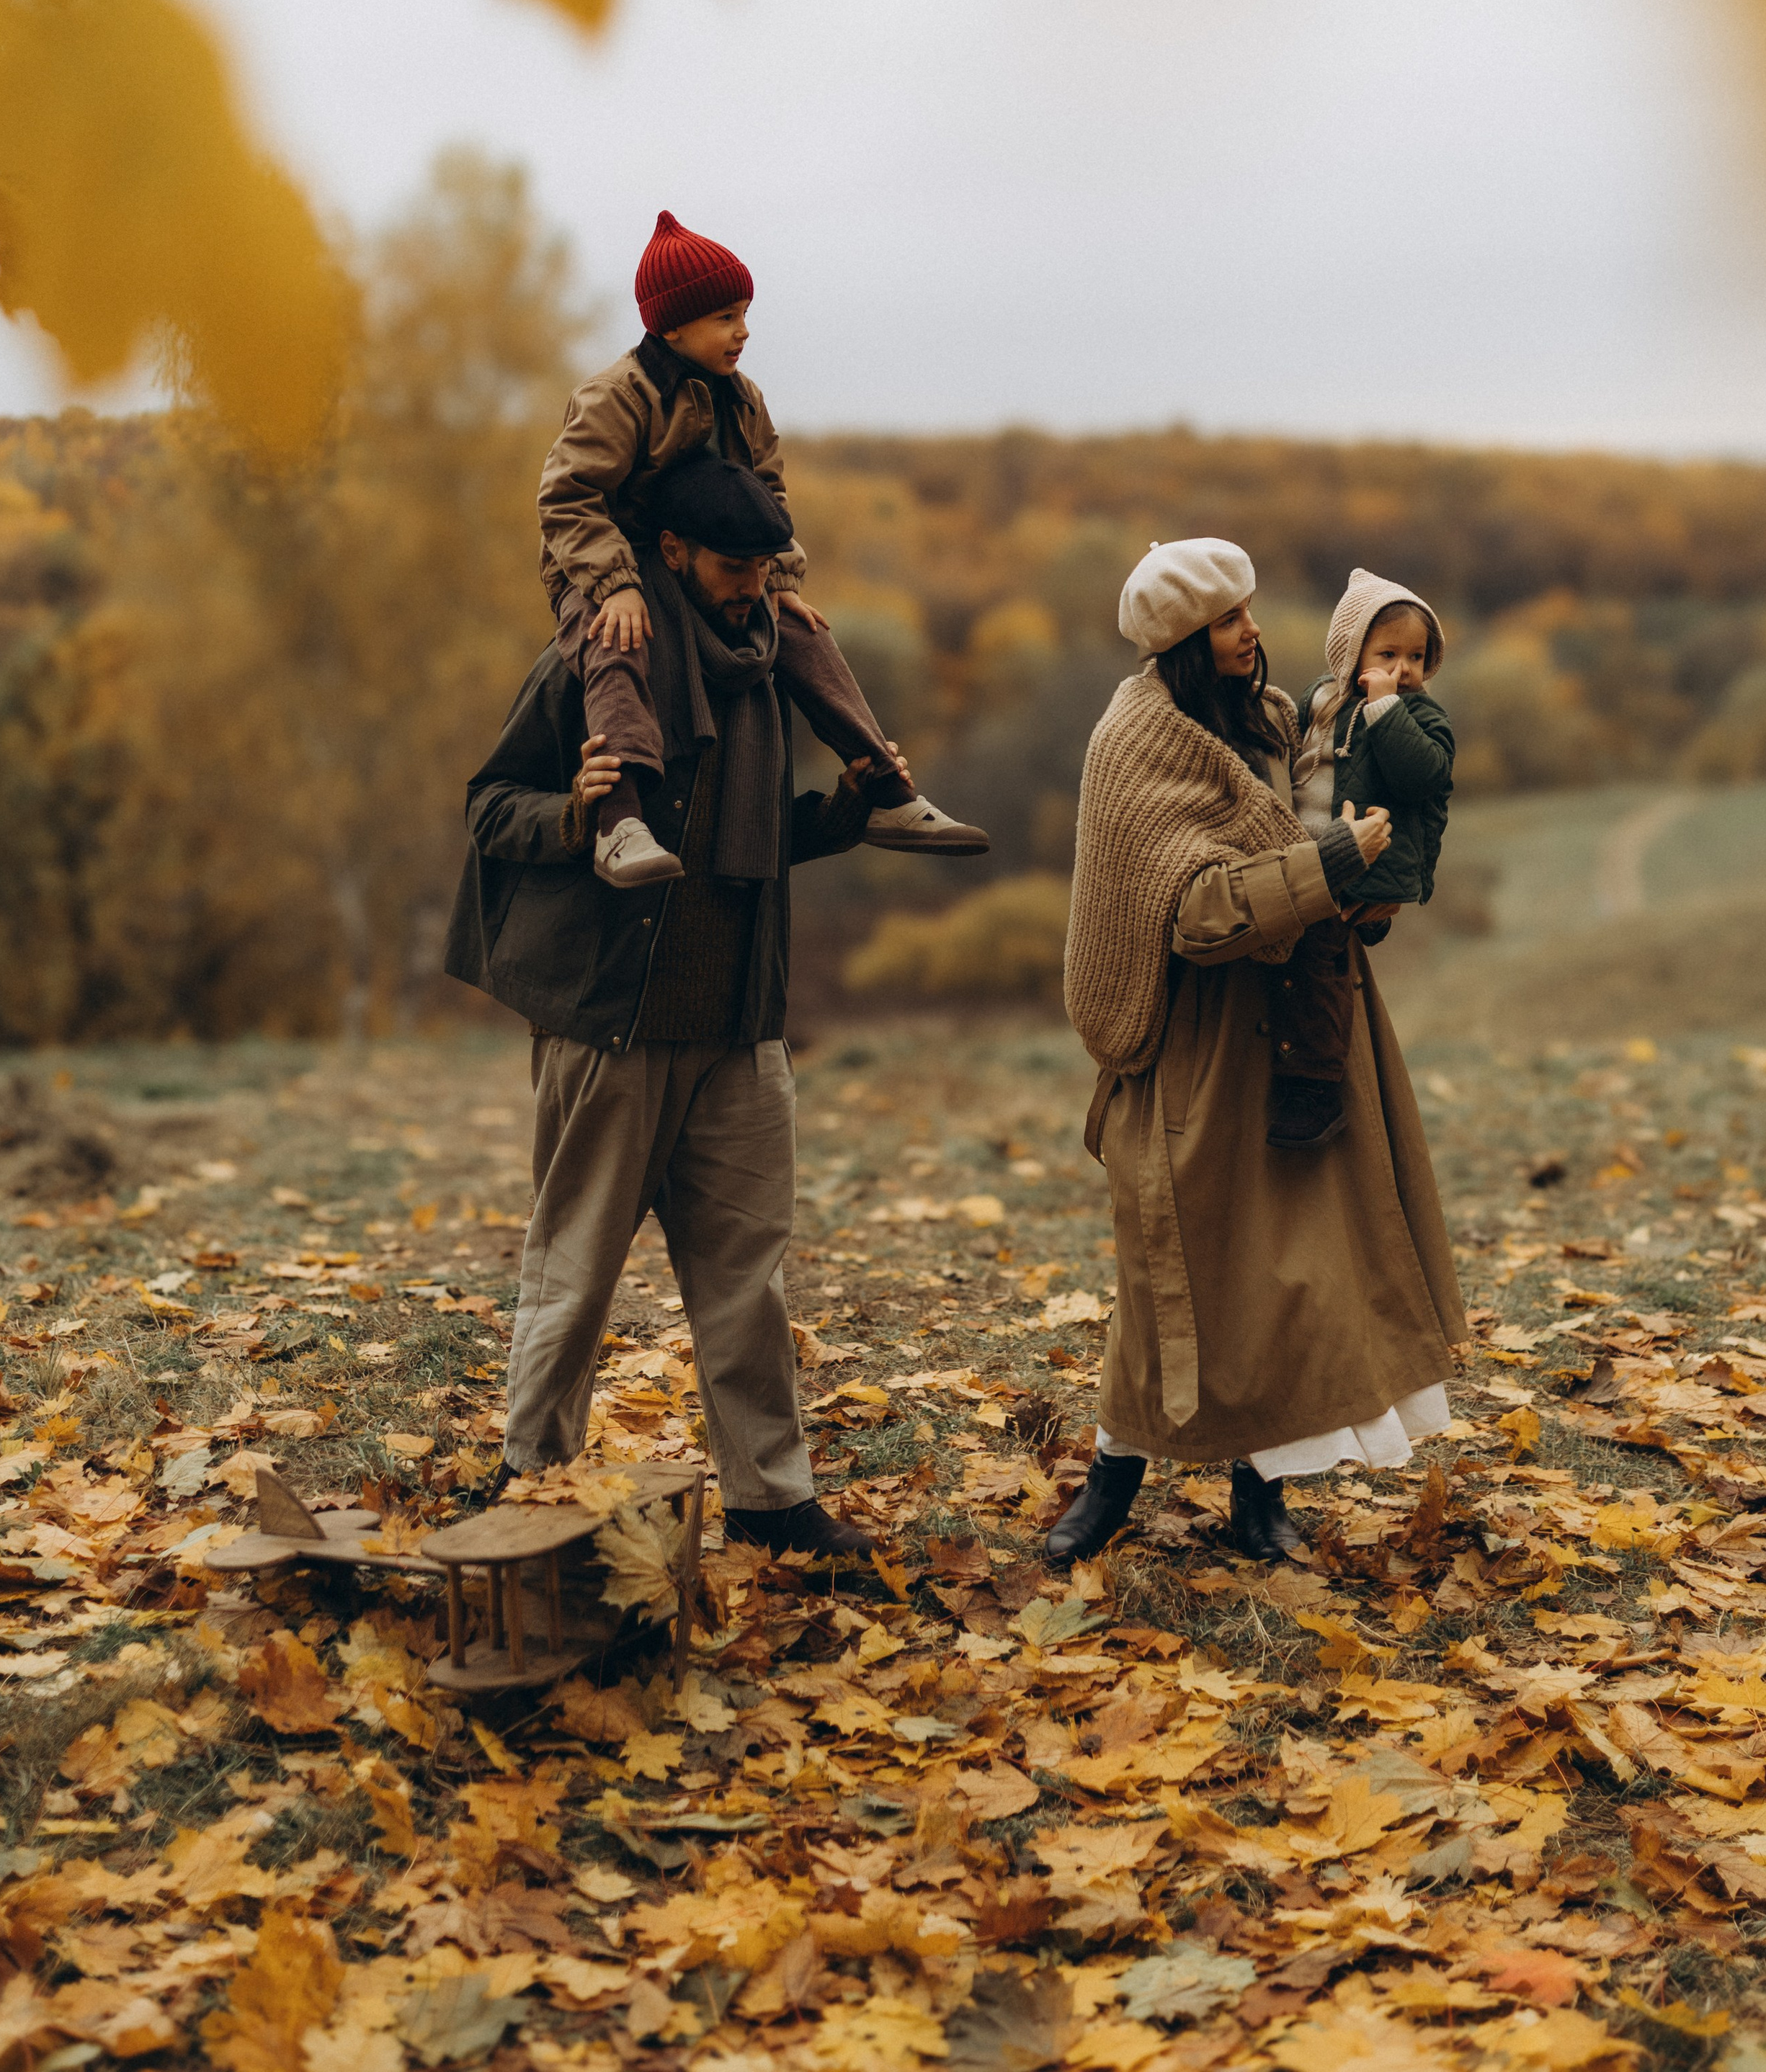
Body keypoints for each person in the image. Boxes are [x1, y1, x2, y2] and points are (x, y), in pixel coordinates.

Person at [444, 452, 892, 1559]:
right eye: (736, 565)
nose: (755, 585)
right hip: (613, 1028)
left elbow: (750, 843)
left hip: (740, 1028)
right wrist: (571, 815)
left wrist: (843, 811)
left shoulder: (764, 668)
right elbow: (487, 806)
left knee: (748, 1280)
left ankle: (771, 1499)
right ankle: (531, 1483)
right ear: (675, 554)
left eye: (765, 565)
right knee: (576, 1269)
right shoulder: (601, 659)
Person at [1051, 537, 1466, 1568]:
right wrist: (1331, 866)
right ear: (1191, 638)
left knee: (1287, 1268)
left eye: (1248, 611)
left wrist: (1378, 881)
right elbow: (1194, 914)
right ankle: (1114, 1473)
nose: (1254, 631)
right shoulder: (1136, 741)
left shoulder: (1277, 720)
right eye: (1233, 620)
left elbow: (1345, 823)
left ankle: (1259, 1491)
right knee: (1174, 1267)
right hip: (1190, 1040)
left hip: (1298, 1022)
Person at [538, 208, 987, 887]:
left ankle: (886, 789)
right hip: (601, 565)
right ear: (672, 326)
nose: (743, 330)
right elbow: (568, 498)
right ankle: (619, 820)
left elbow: (767, 492)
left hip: (708, 565)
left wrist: (779, 576)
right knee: (617, 644)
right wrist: (615, 583)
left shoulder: (743, 400)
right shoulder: (618, 397)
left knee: (803, 630)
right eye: (725, 317)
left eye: (745, 312)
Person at [1271, 568, 1453, 1149]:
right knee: (1283, 963)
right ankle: (1281, 1068)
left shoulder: (1418, 715)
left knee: (1321, 965)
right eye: (1388, 653)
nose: (1403, 670)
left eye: (1417, 657)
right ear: (1350, 653)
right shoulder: (1320, 700)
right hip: (1306, 854)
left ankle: (1316, 1093)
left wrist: (1386, 711)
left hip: (1362, 867)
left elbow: (1422, 777)